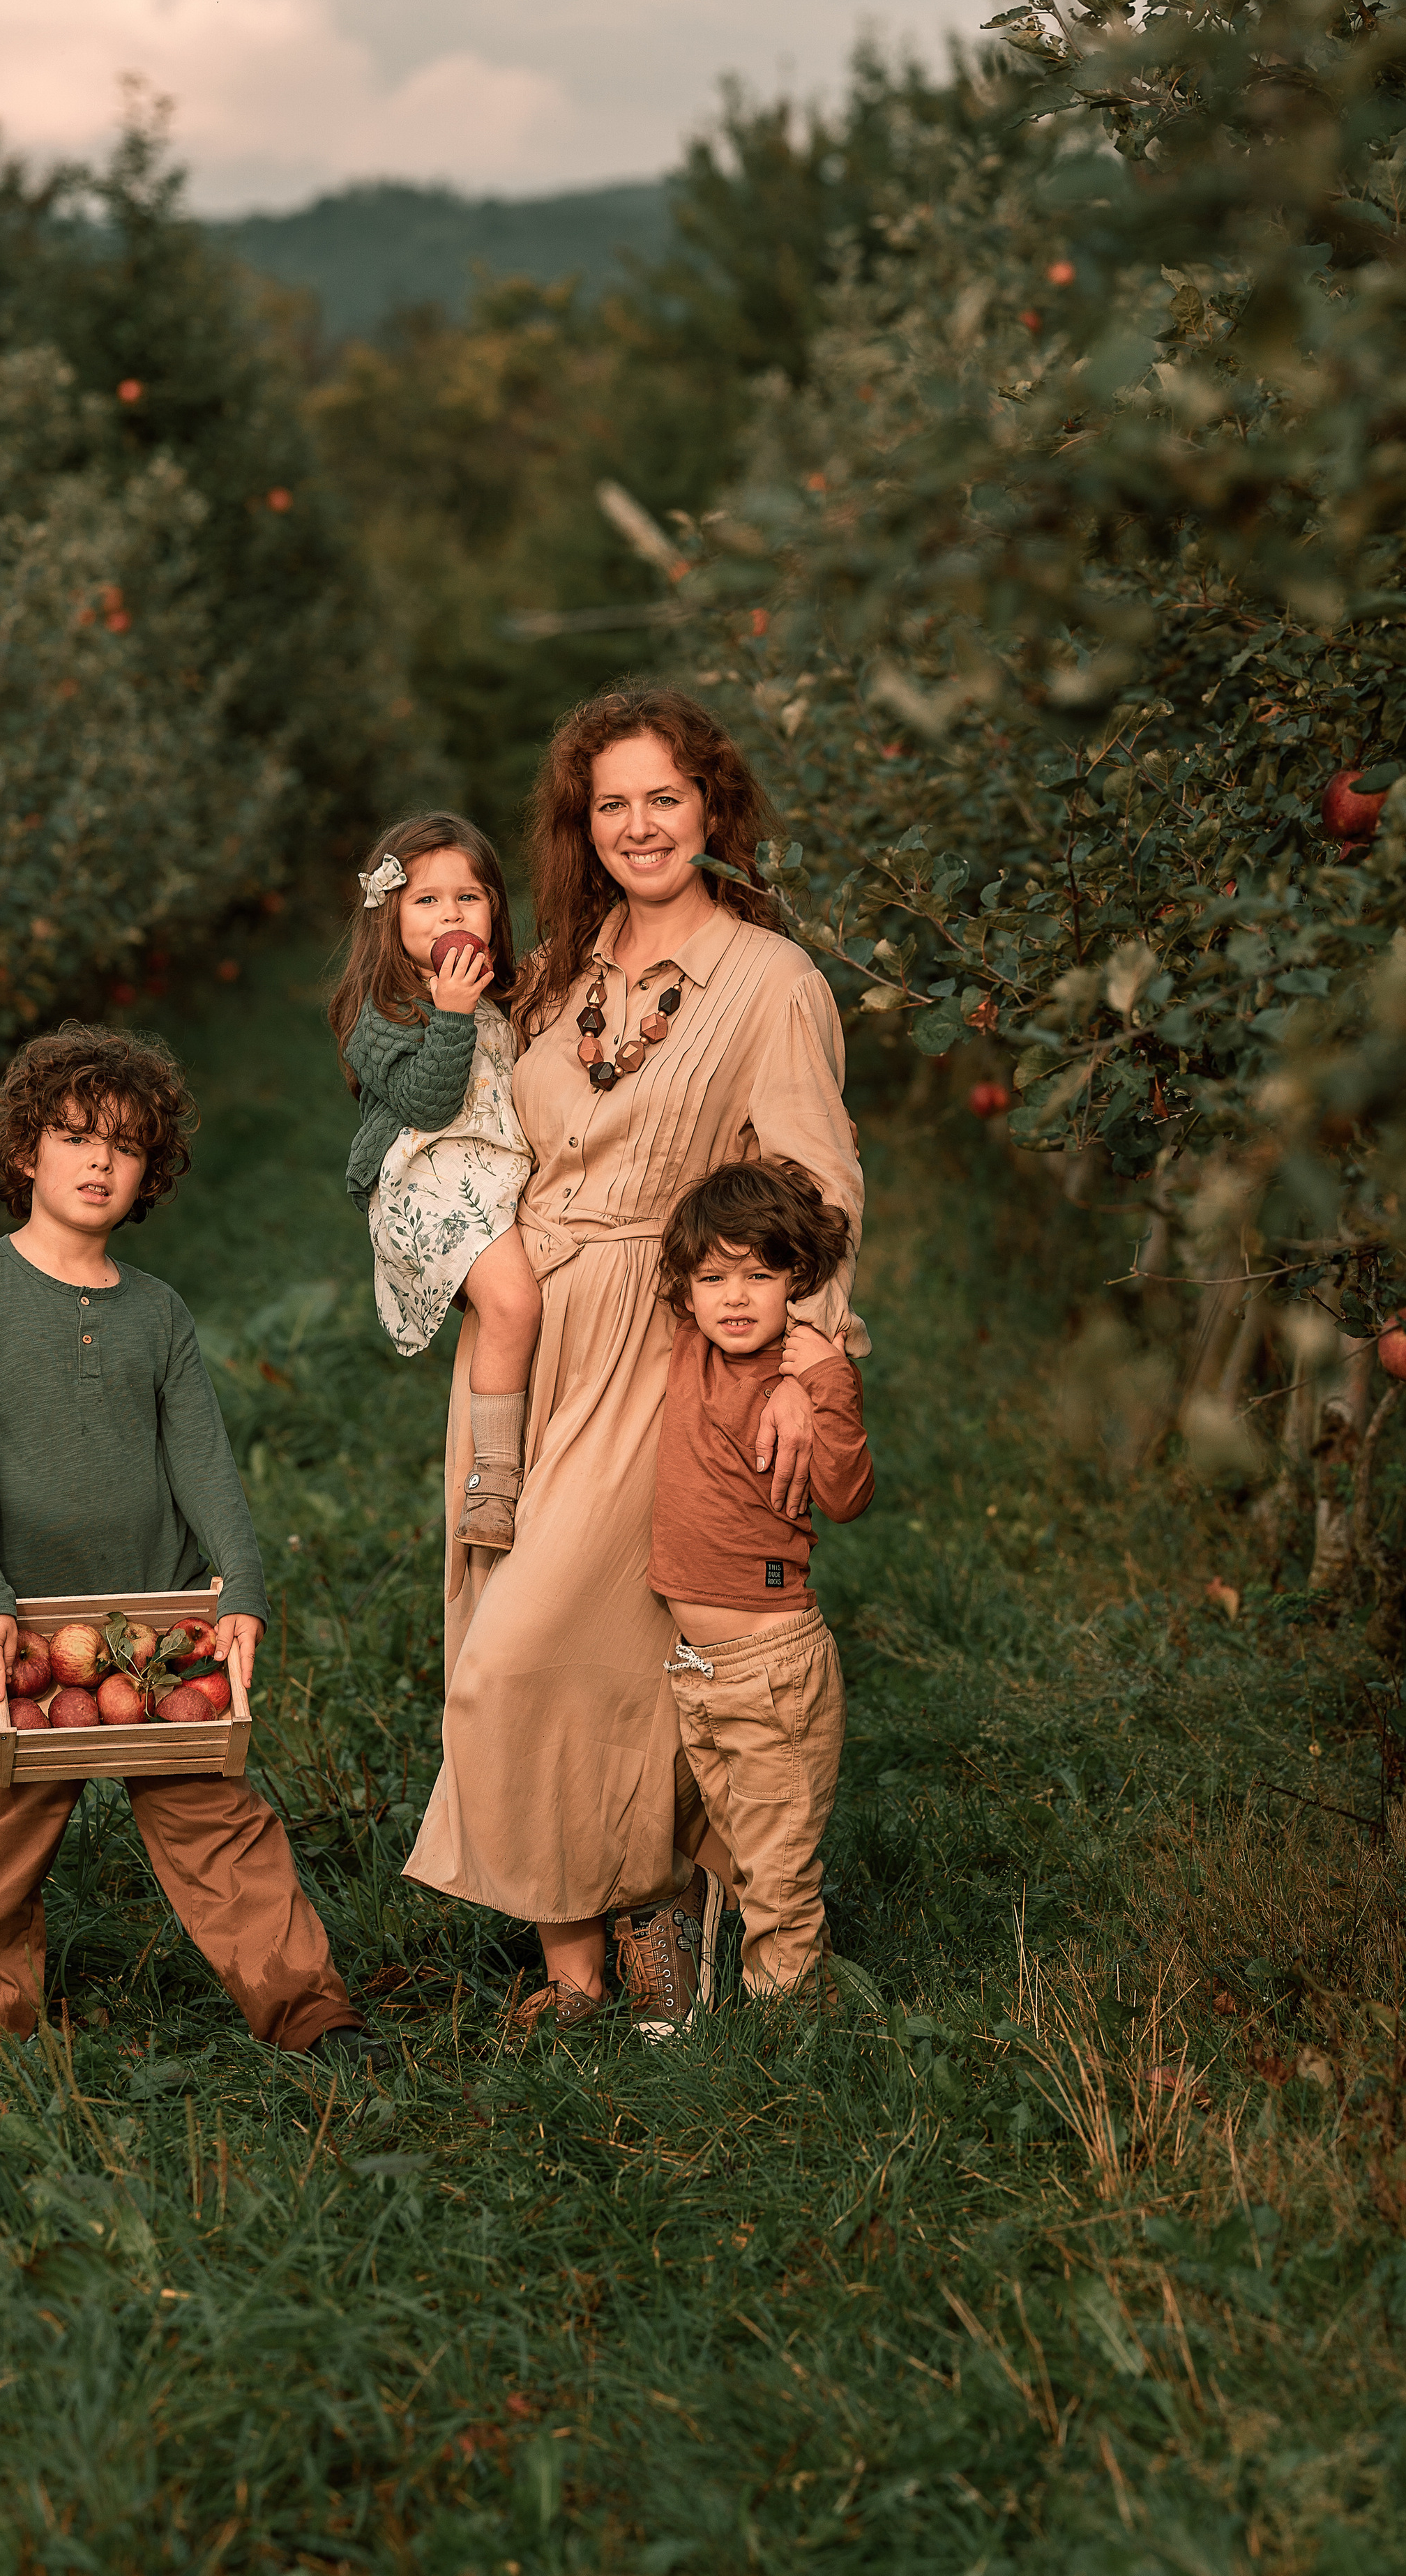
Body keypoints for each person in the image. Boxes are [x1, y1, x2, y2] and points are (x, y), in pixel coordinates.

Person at [402, 684, 868, 2036]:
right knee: (580, 1654)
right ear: (578, 825)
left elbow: (814, 1187)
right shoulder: (558, 970)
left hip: (658, 1345)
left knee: (526, 1654)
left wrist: (804, 1363)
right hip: (527, 1337)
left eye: (664, 797)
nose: (638, 825)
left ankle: (670, 1899)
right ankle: (603, 1964)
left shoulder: (770, 985)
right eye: (610, 804)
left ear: (711, 807)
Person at [0, 1020, 381, 2068]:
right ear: (26, 1151)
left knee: (218, 1826)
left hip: (160, 1622)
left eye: (124, 1145)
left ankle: (311, 2013)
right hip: (26, 1631)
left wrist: (241, 1591)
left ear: (149, 1172)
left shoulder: (157, 1313)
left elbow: (204, 1461)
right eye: (75, 1135)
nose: (98, 1160)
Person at [639, 1160, 874, 2029]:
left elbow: (849, 1496)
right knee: (746, 1847)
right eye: (714, 1278)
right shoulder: (690, 1343)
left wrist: (823, 1377)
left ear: (797, 1283)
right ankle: (776, 1980)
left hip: (771, 1664)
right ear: (687, 1290)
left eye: (760, 1276)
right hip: (700, 1667)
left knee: (776, 1871)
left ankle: (794, 2029)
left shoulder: (810, 1372)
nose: (735, 1298)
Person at [330, 813, 541, 1552]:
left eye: (469, 897)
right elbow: (427, 1103)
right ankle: (493, 1477)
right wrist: (450, 1016)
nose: (451, 914)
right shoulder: (380, 1013)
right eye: (426, 901)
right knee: (514, 1304)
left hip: (491, 1172)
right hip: (425, 1183)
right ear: (388, 920)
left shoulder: (496, 993)